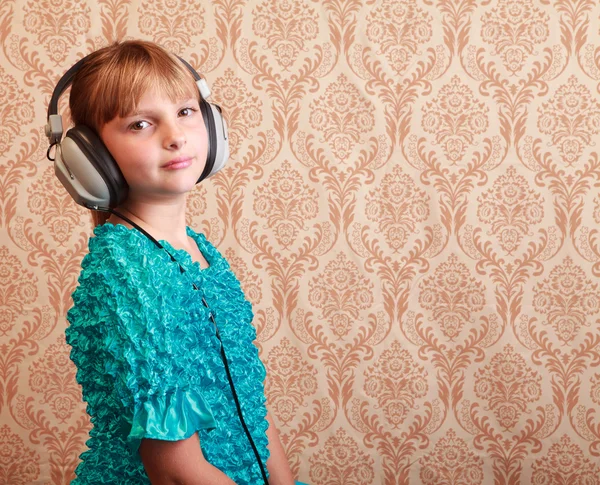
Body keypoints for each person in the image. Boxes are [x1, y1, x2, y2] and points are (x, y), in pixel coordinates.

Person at [49, 40, 301, 484]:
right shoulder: (126, 272)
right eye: (141, 124)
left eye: (185, 111)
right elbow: (176, 472)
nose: (175, 136)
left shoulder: (200, 251)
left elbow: (252, 411)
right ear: (92, 159)